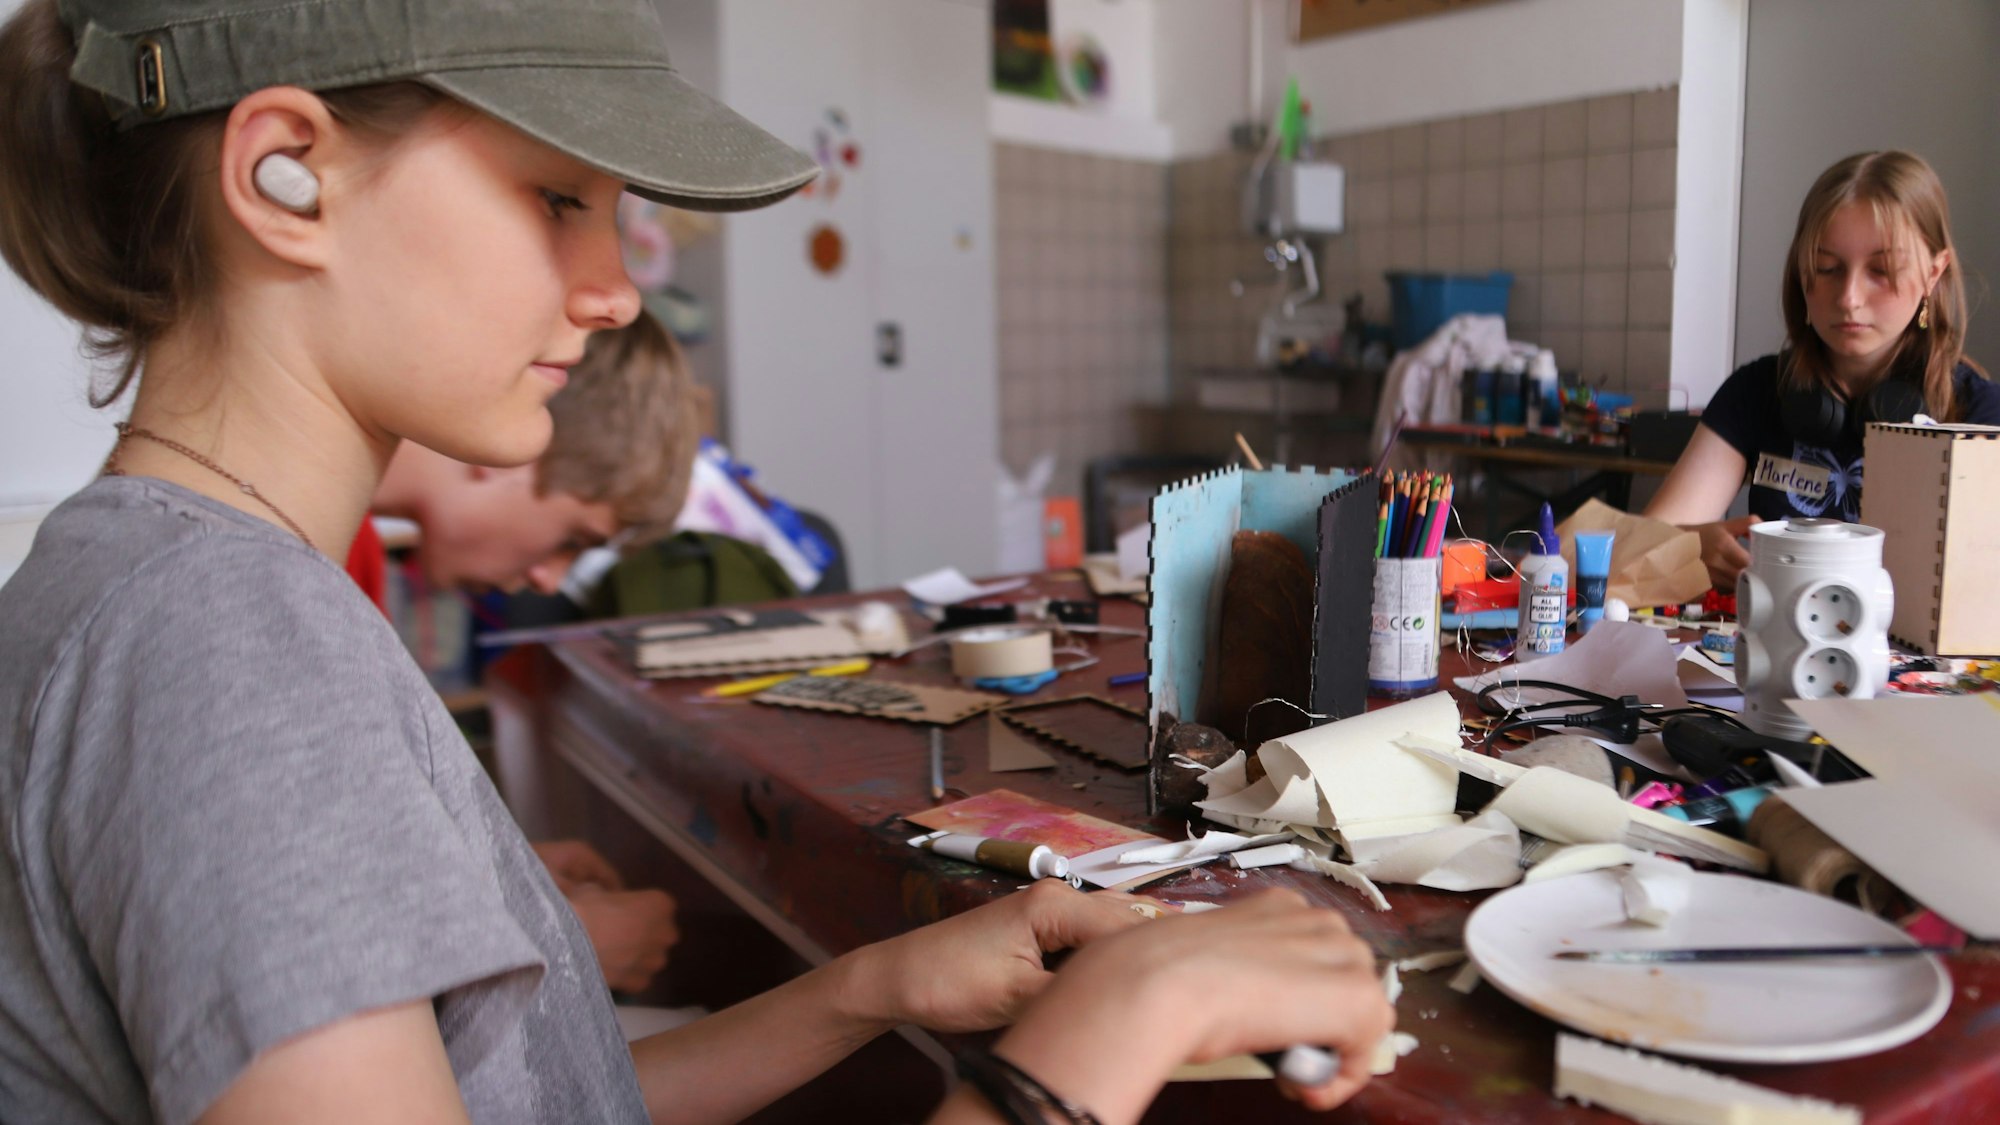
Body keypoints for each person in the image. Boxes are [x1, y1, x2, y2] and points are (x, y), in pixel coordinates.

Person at [0, 3, 1393, 1125]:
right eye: (558, 198)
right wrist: (1105, 1041)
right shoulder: (222, 643)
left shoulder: (198, 587)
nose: (612, 290)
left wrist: (867, 988)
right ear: (280, 174)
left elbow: (542, 1097)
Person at [1645, 150, 2000, 592]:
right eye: (1827, 268)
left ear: (1934, 272)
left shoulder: (1980, 413)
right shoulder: (1756, 390)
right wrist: (1693, 546)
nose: (1849, 297)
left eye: (1881, 270)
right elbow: (1643, 546)